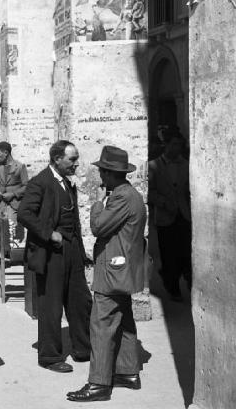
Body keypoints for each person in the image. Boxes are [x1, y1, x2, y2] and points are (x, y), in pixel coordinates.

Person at [67, 145, 146, 403]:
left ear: (111, 174)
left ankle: (99, 383)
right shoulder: (129, 194)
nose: (100, 177)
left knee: (100, 324)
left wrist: (98, 202)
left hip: (113, 270)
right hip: (122, 269)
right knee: (123, 320)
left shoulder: (121, 197)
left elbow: (99, 226)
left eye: (102, 171)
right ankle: (127, 371)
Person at [18, 140, 92, 373]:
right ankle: (49, 356)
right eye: (72, 159)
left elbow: (74, 220)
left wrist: (80, 252)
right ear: (57, 158)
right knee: (51, 306)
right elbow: (24, 214)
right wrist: (49, 234)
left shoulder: (67, 183)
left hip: (71, 252)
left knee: (79, 300)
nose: (75, 164)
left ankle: (83, 349)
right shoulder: (39, 182)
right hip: (49, 254)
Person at [148, 128, 191, 302]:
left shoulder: (186, 164)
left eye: (179, 145)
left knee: (185, 252)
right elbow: (150, 192)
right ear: (166, 145)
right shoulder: (153, 166)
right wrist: (163, 203)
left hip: (184, 215)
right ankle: (172, 287)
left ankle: (186, 281)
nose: (176, 148)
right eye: (173, 144)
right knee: (168, 254)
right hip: (165, 217)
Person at [0, 141, 28, 251]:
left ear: (6, 152)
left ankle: (10, 255)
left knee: (11, 230)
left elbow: (26, 186)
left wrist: (13, 194)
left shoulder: (20, 166)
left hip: (13, 203)